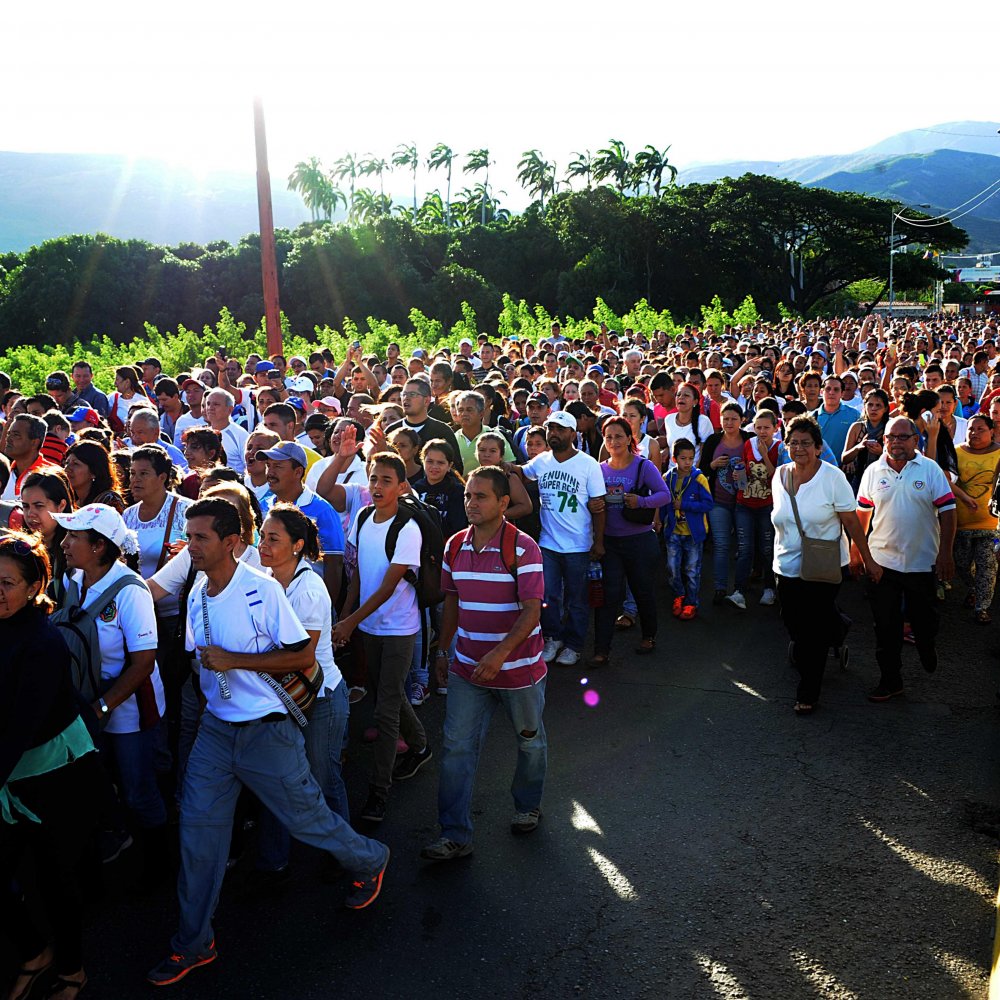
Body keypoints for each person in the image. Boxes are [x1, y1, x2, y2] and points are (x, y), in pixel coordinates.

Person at [147, 498, 390, 987]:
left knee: (308, 819)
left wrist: (235, 662)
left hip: (269, 733)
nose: (190, 546)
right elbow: (202, 662)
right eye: (189, 537)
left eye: (201, 538)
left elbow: (304, 659)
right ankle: (193, 944)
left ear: (232, 542)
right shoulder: (196, 590)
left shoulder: (262, 590)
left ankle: (371, 859)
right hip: (218, 735)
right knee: (198, 839)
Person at [420, 467, 547, 861]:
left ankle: (527, 806)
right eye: (468, 497)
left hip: (519, 672)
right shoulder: (454, 545)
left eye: (481, 497)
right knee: (456, 749)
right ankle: (454, 835)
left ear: (503, 503)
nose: (471, 503)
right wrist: (443, 652)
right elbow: (452, 602)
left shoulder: (524, 548)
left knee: (530, 744)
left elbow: (531, 612)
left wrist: (499, 654)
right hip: (466, 670)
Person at [0, 532, 107, 1000]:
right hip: (10, 773)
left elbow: (24, 726)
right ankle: (32, 952)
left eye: (7, 583)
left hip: (57, 777)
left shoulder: (44, 643)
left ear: (34, 585)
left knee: (54, 880)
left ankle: (71, 969)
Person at [52, 504, 169, 865]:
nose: (64, 544)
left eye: (74, 537)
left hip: (129, 710)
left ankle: (158, 858)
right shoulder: (72, 580)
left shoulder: (131, 591)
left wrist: (101, 708)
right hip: (86, 707)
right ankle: (119, 837)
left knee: (137, 790)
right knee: (96, 785)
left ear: (99, 546)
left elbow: (143, 664)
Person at [253, 504, 352, 880]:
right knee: (277, 780)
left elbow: (302, 657)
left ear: (296, 546)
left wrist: (236, 661)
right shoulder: (262, 577)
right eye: (261, 536)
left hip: (320, 698)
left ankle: (346, 856)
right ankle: (273, 861)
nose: (262, 544)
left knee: (324, 780)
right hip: (281, 697)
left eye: (272, 539)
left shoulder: (308, 588)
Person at [334, 452, 431, 823]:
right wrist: (345, 618)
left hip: (398, 629)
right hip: (368, 626)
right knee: (385, 692)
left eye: (386, 480)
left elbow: (390, 585)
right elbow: (358, 576)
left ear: (402, 487)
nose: (377, 486)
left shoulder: (407, 528)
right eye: (373, 478)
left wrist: (350, 622)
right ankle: (420, 746)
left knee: (385, 709)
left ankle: (378, 793)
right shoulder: (361, 518)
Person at [771, 416, 880, 714]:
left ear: (819, 448)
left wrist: (865, 558)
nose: (799, 448)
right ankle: (838, 625)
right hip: (786, 565)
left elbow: (852, 524)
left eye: (806, 443)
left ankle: (808, 691)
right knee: (792, 619)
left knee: (811, 631)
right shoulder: (779, 476)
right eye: (793, 442)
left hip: (825, 564)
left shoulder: (833, 478)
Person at [854, 416, 957, 701]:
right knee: (885, 627)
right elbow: (863, 513)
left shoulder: (931, 469)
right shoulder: (873, 471)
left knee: (924, 620)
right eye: (890, 437)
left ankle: (926, 643)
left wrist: (946, 552)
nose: (895, 442)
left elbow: (948, 511)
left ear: (915, 440)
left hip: (922, 563)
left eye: (902, 437)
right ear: (883, 440)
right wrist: (856, 552)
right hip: (882, 563)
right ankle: (891, 680)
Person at [515, 411, 607, 668]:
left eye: (559, 429)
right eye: (550, 429)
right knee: (548, 595)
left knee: (577, 599)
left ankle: (574, 645)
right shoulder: (542, 461)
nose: (553, 433)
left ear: (572, 433)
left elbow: (599, 507)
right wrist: (504, 465)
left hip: (578, 545)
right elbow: (522, 473)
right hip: (548, 543)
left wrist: (598, 542)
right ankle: (552, 638)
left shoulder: (588, 464)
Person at [590, 416, 668, 664]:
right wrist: (593, 505)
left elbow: (664, 495)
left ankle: (649, 636)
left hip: (639, 541)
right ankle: (602, 650)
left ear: (629, 439)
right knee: (609, 596)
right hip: (610, 542)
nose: (614, 441)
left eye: (619, 436)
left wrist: (640, 502)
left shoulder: (643, 466)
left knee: (642, 590)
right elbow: (589, 502)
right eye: (609, 437)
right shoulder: (598, 469)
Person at [257, 440, 344, 605]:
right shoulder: (264, 505)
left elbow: (334, 563)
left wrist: (328, 608)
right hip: (271, 600)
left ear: (298, 472)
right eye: (269, 465)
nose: (270, 472)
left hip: (309, 603)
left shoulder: (322, 510)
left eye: (278, 467)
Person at [729, 410, 780, 610]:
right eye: (758, 427)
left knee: (767, 549)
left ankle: (769, 588)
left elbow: (775, 476)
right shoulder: (748, 444)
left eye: (766, 427)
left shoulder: (779, 447)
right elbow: (743, 466)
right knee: (745, 548)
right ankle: (738, 591)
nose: (762, 431)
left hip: (766, 505)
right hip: (744, 503)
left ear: (775, 428)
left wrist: (766, 455)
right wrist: (737, 473)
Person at [701, 402, 751, 604]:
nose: (729, 423)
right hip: (718, 501)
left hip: (744, 501)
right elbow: (702, 470)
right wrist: (713, 465)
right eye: (725, 419)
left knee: (744, 546)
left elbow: (759, 468)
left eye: (734, 419)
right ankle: (720, 588)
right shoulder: (713, 440)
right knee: (721, 545)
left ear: (742, 421)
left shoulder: (749, 440)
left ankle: (739, 588)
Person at [952, 414, 1000, 624]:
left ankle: (982, 607)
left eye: (981, 429)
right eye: (971, 429)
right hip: (961, 523)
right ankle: (973, 588)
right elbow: (946, 481)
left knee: (987, 565)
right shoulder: (956, 453)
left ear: (992, 432)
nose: (975, 433)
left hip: (991, 524)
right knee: (961, 563)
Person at [663, 439, 714, 621]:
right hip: (673, 531)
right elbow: (662, 503)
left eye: (691, 458)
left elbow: (708, 504)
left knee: (692, 570)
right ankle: (679, 595)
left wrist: (683, 504)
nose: (687, 462)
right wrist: (659, 520)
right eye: (683, 458)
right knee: (672, 568)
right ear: (674, 458)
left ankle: (692, 602)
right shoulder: (667, 478)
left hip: (693, 533)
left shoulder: (699, 478)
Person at [385, 377, 464, 474]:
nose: (406, 398)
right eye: (404, 394)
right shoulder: (392, 430)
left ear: (426, 400)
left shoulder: (442, 431)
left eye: (412, 394)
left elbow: (457, 468)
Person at [20, 468, 75, 603]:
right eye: (25, 506)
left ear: (61, 506)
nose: (30, 514)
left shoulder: (76, 551)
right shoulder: (20, 548)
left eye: (39, 506)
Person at [840, 389, 889, 494]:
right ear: (864, 406)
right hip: (859, 480)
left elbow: (899, 458)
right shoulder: (857, 427)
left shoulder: (890, 427)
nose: (873, 409)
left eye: (878, 405)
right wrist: (858, 448)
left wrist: (881, 453)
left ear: (885, 409)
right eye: (870, 405)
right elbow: (845, 458)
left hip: (885, 480)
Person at [2, 414, 54, 501]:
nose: (8, 438)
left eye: (16, 435)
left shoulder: (51, 476)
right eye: (8, 434)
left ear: (34, 443)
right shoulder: (5, 471)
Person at [202, 389, 250, 475]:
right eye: (208, 404)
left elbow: (249, 468)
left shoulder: (240, 435)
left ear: (230, 409)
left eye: (216, 404)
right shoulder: (202, 434)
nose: (210, 408)